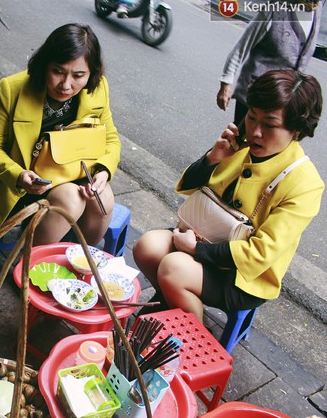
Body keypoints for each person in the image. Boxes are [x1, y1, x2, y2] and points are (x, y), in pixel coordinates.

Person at [134, 69, 324, 322]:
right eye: (252, 117)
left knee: (173, 268)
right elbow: (187, 187)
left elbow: (260, 253)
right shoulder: (238, 145)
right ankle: (171, 302)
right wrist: (213, 158)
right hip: (202, 238)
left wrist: (197, 250)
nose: (255, 131)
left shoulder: (305, 183)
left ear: (297, 130)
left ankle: (193, 337)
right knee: (147, 246)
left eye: (270, 125)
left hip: (243, 275)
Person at [0, 23, 121, 246]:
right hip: (22, 183)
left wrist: (104, 171)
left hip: (73, 172)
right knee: (70, 199)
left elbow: (111, 139)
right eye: (58, 71)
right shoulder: (12, 89)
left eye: (78, 75)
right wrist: (19, 175)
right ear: (44, 64)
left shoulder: (97, 89)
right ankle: (29, 263)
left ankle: (80, 259)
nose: (66, 85)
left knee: (103, 200)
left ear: (92, 72)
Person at [217, 0, 327, 127]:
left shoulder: (317, 8)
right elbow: (242, 47)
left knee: (267, 146)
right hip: (256, 93)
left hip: (283, 97)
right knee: (240, 141)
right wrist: (226, 85)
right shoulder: (276, 7)